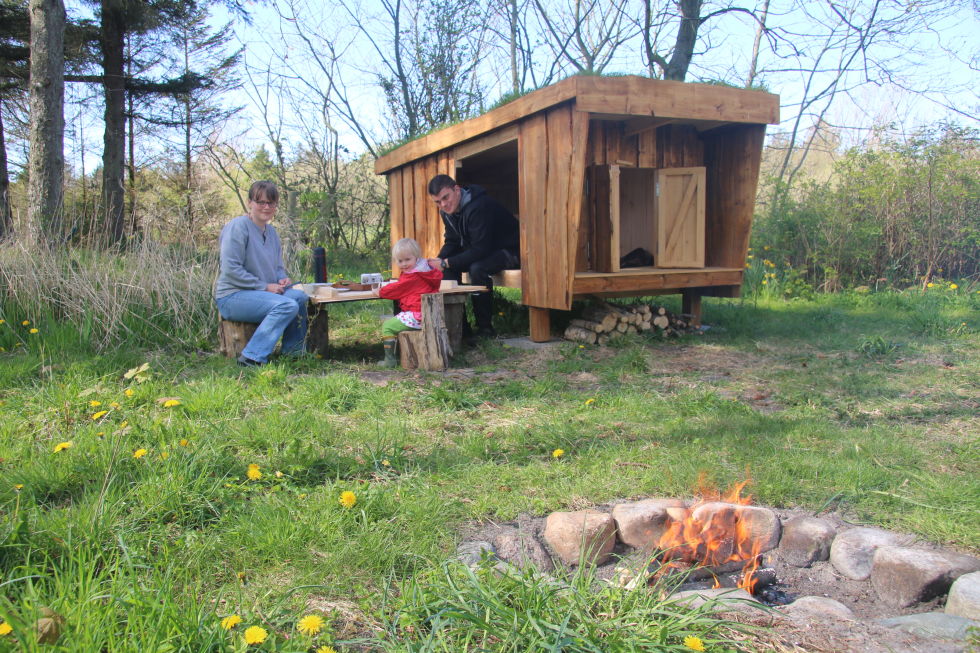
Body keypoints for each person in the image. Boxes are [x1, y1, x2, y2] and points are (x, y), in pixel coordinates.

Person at [215, 180, 308, 366]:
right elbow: (231, 269)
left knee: (299, 296)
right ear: (250, 202)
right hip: (233, 296)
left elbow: (277, 266)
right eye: (261, 202)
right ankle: (251, 357)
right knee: (286, 306)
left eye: (271, 203)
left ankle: (293, 352)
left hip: (261, 294)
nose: (266, 207)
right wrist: (265, 286)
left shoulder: (272, 232)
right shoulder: (238, 227)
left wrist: (281, 279)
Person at [425, 174, 520, 339]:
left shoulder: (479, 206)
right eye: (438, 202)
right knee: (446, 271)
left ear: (457, 189)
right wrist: (439, 262)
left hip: (511, 251)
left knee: (477, 269)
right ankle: (461, 330)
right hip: (486, 250)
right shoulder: (447, 212)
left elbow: (480, 249)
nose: (443, 204)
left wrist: (447, 262)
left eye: (445, 197)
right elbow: (453, 241)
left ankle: (485, 329)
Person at [374, 238, 443, 368]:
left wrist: (379, 291)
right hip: (426, 313)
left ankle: (390, 360)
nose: (404, 264)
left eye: (407, 260)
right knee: (395, 320)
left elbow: (396, 289)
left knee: (387, 326)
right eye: (400, 261)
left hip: (417, 316)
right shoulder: (425, 271)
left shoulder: (414, 276)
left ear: (416, 258)